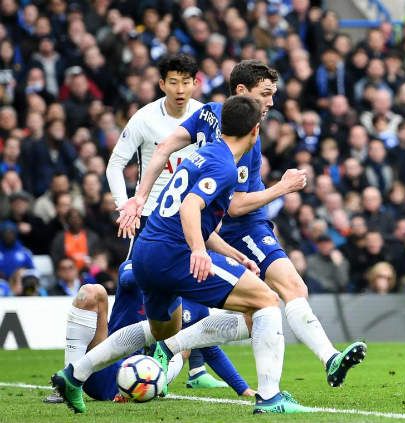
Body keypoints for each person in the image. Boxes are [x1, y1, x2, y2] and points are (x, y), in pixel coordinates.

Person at [51, 96, 310, 414]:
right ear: (255, 131)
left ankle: (74, 375)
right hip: (176, 254)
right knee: (267, 300)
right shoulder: (226, 165)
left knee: (162, 331)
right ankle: (270, 398)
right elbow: (190, 207)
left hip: (147, 251)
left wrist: (232, 254)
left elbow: (188, 213)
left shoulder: (202, 156)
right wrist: (199, 251)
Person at [116, 60, 365, 388]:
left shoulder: (209, 113)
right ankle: (317, 364)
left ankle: (170, 347)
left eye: (273, 94)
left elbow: (162, 148)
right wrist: (282, 188)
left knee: (267, 305)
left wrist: (140, 197)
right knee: (280, 296)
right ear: (241, 92)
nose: (271, 102)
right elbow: (235, 206)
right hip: (239, 228)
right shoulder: (244, 136)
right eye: (265, 94)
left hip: (214, 227)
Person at [104, 53, 226, 390]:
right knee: (140, 286)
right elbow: (115, 165)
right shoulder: (144, 119)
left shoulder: (207, 118)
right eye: (173, 81)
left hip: (189, 217)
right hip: (149, 219)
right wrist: (125, 205)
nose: (180, 88)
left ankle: (197, 368)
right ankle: (130, 358)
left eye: (186, 81)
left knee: (199, 281)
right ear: (162, 84)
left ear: (195, 83)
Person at [44, 261, 254, 404]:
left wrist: (242, 389)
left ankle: (156, 382)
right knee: (91, 291)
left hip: (142, 381)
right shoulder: (137, 265)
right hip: (103, 368)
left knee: (186, 343)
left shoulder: (197, 304)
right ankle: (67, 383)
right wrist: (164, 274)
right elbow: (127, 279)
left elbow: (211, 349)